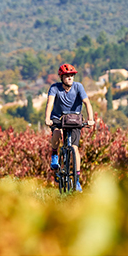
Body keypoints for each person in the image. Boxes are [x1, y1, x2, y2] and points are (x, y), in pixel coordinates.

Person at [44, 63, 95, 191]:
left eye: (72, 76)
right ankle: (55, 154)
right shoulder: (55, 88)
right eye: (67, 76)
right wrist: (47, 118)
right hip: (58, 117)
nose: (70, 78)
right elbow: (50, 103)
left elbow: (87, 103)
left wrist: (90, 119)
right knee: (56, 133)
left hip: (74, 119)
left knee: (75, 149)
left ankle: (76, 181)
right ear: (61, 78)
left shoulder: (78, 87)